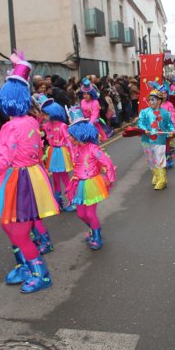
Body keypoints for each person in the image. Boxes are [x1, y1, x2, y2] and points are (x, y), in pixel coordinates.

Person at [0, 53, 59, 293]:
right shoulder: (31, 122)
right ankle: (26, 266)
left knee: (17, 230)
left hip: (19, 180)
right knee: (11, 226)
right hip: (30, 177)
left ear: (6, 101)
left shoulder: (9, 127)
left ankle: (40, 273)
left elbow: (4, 161)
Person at [64, 106, 116, 250]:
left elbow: (108, 163)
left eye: (72, 135)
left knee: (89, 212)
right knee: (81, 214)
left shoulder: (93, 148)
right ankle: (94, 229)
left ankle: (97, 236)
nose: (69, 137)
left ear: (79, 134)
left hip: (92, 182)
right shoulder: (75, 149)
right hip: (79, 183)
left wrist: (110, 178)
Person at [137, 83, 175, 190]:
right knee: (150, 160)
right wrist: (144, 128)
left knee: (159, 158)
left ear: (159, 101)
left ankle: (162, 180)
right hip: (146, 139)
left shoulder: (165, 113)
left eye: (153, 100)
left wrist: (172, 130)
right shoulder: (144, 112)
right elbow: (140, 123)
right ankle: (156, 175)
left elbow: (170, 124)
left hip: (160, 139)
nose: (150, 102)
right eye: (149, 99)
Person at [39, 94, 75, 211]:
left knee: (64, 177)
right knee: (55, 178)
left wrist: (73, 154)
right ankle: (58, 202)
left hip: (61, 152)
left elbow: (69, 141)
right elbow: (48, 138)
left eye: (45, 114)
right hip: (53, 151)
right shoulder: (47, 125)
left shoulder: (63, 126)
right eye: (43, 114)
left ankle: (72, 200)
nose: (44, 116)